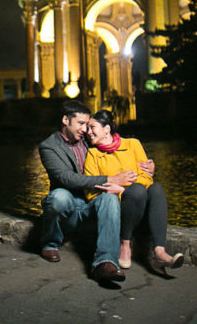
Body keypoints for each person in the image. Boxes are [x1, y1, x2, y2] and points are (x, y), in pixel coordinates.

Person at [38, 100, 138, 283]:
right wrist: (108, 179)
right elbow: (66, 178)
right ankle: (50, 243)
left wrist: (144, 165)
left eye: (87, 124)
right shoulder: (48, 146)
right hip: (69, 203)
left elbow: (115, 146)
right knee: (58, 197)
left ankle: (105, 263)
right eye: (81, 124)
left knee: (109, 198)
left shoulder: (88, 138)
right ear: (65, 120)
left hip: (92, 202)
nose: (85, 129)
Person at [83, 110, 184, 271]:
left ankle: (160, 251)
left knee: (156, 189)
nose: (87, 132)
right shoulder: (93, 154)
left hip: (139, 206)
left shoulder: (133, 144)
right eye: (87, 128)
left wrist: (121, 188)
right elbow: (90, 192)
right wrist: (122, 189)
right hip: (118, 213)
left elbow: (147, 178)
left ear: (107, 129)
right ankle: (125, 243)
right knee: (137, 189)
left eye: (92, 127)